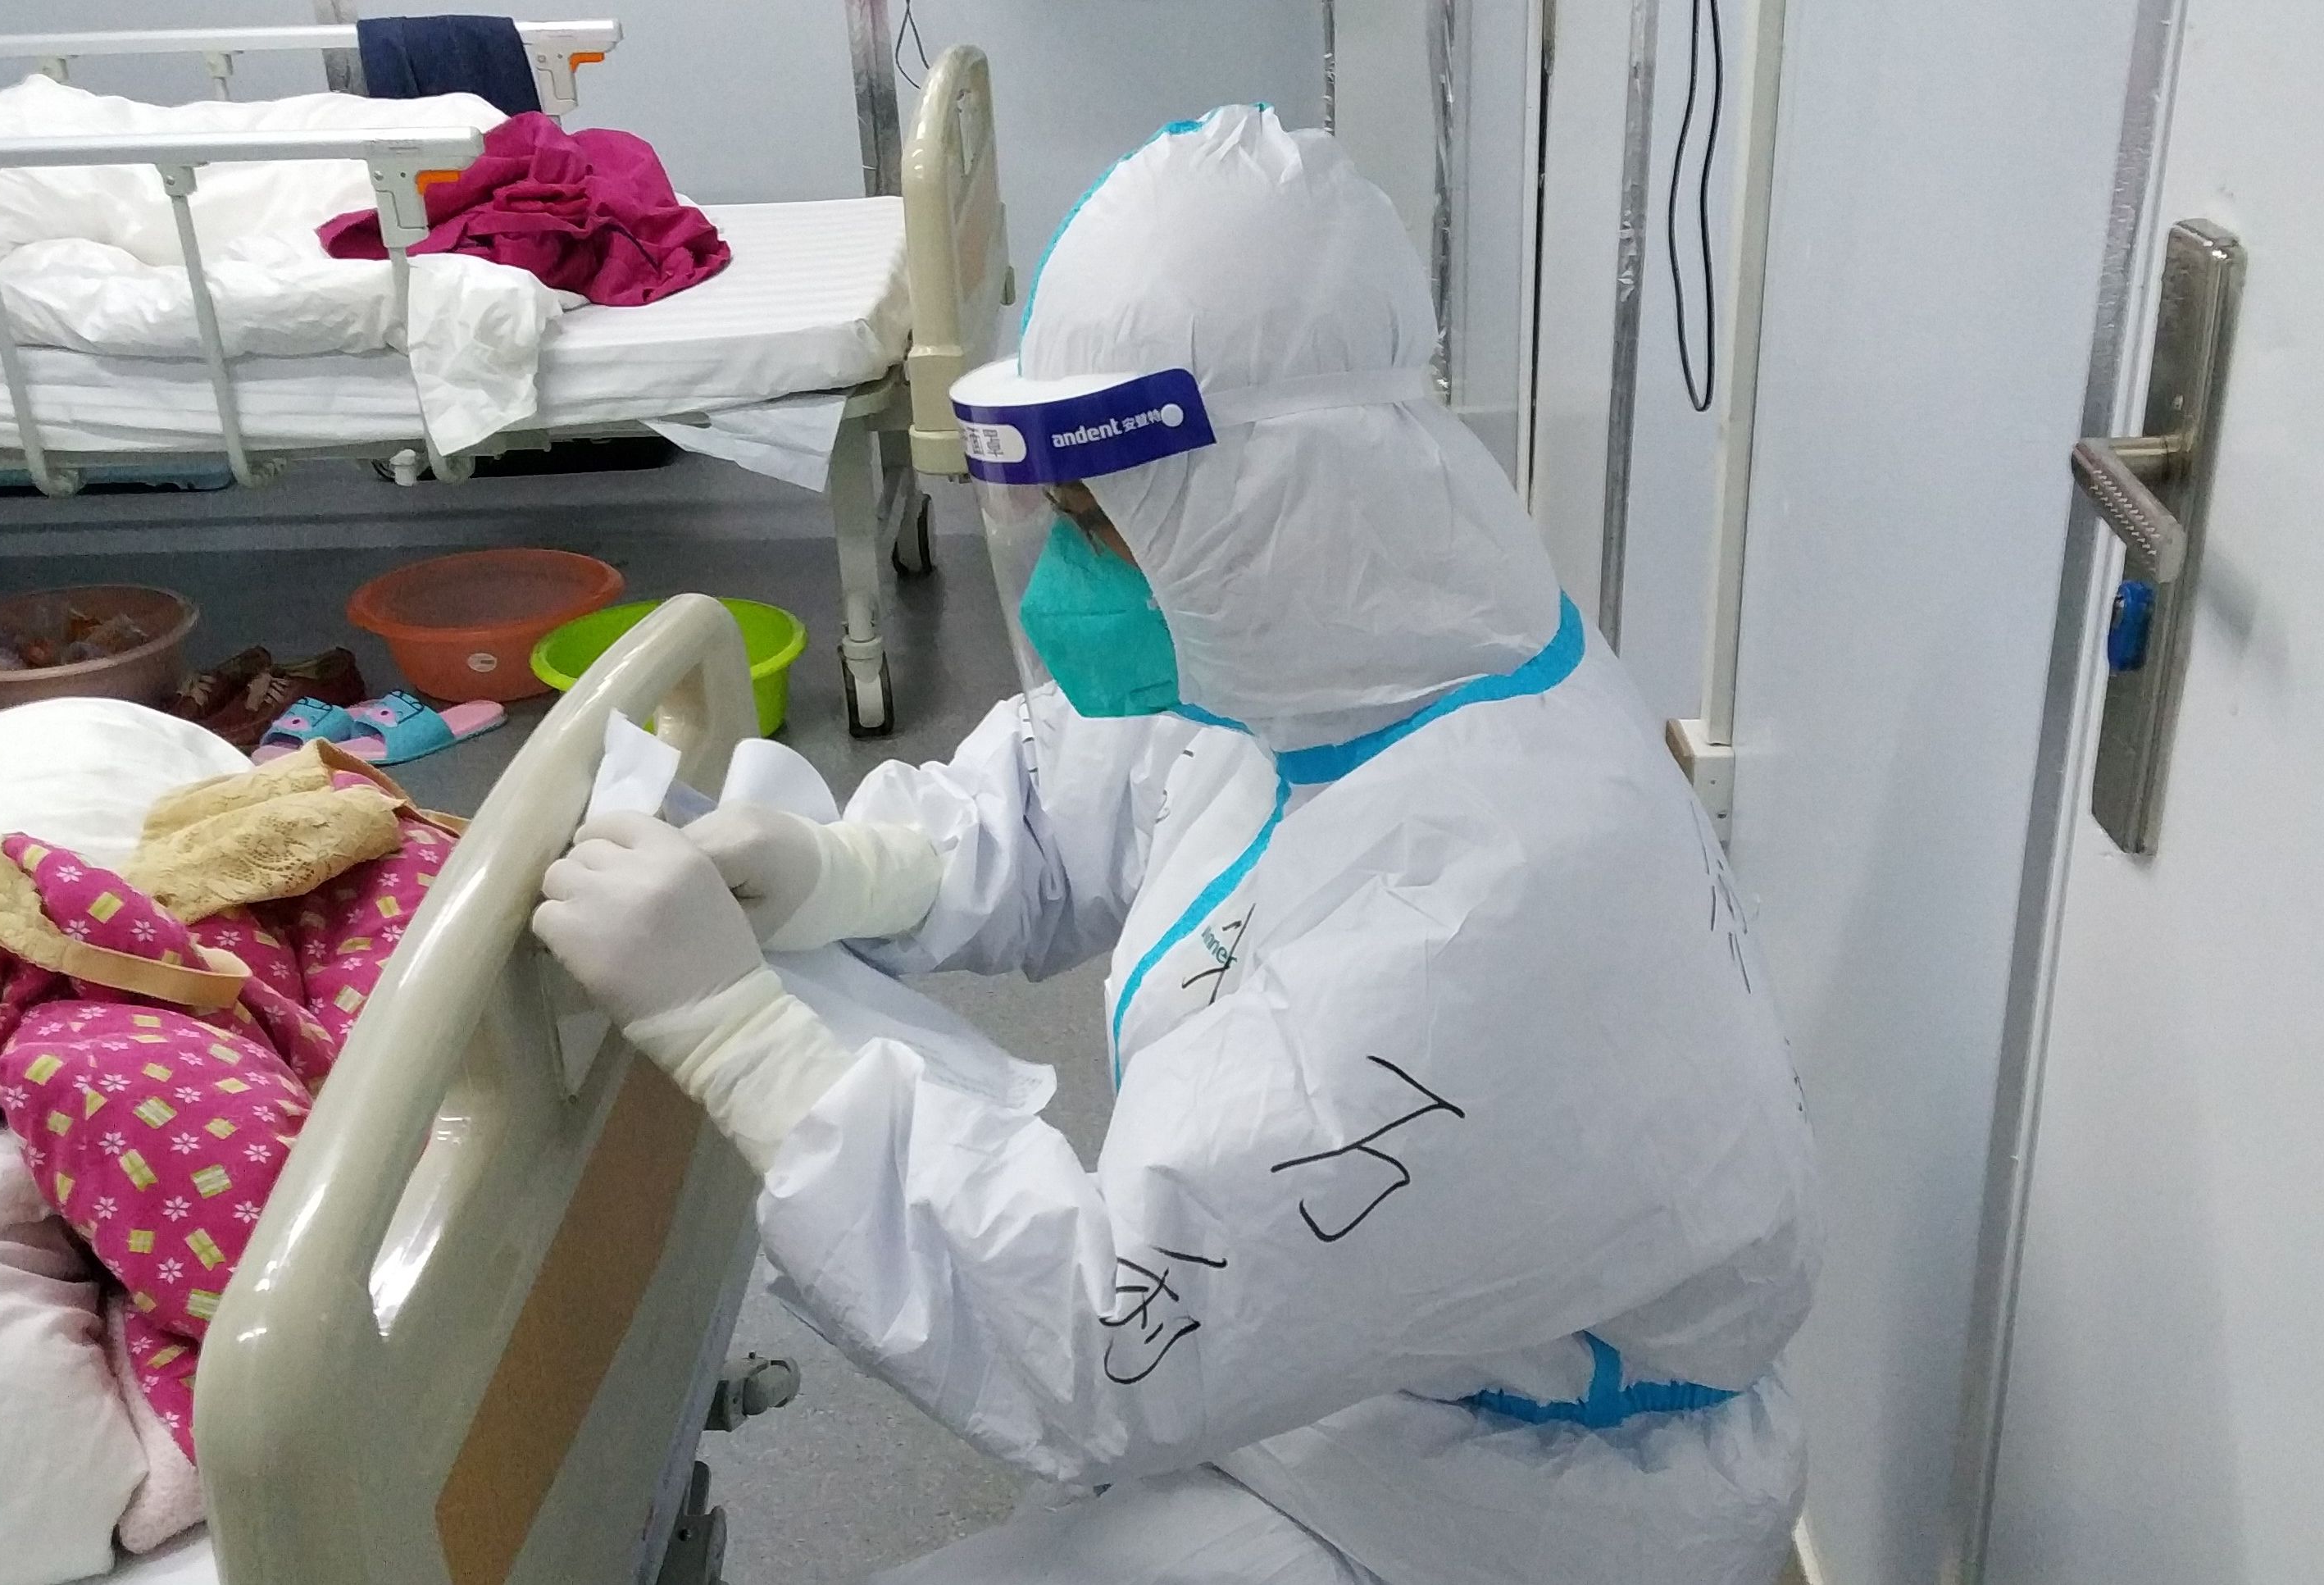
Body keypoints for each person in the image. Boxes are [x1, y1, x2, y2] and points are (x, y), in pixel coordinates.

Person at [534, 104, 1818, 1585]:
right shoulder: (1347, 643)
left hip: (1508, 1511)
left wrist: (746, 1042)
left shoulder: (1489, 894)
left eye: (1098, 526)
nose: (1071, 578)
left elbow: (1105, 1342)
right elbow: (1087, 789)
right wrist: (854, 866)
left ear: (1262, 502)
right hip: (1371, 1399)